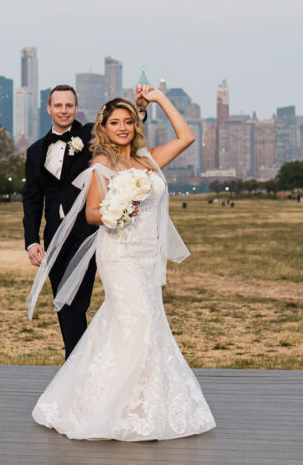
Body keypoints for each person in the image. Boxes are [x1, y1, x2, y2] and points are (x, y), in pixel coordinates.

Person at [27, 86, 215, 441]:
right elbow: (93, 213)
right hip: (119, 253)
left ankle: (143, 402)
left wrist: (159, 99)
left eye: (128, 121)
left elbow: (187, 136)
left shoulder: (148, 160)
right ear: (104, 128)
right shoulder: (101, 164)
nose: (123, 127)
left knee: (143, 323)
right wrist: (118, 212)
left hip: (146, 255)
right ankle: (110, 405)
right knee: (138, 319)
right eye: (115, 122)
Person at [22, 85, 147, 357]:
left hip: (88, 232)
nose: (64, 111)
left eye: (69, 106)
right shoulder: (34, 152)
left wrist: (141, 110)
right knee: (62, 301)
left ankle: (75, 362)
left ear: (76, 108)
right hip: (55, 237)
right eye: (58, 106)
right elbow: (31, 200)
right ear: (49, 109)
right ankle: (76, 360)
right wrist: (31, 241)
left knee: (78, 301)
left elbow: (121, 127)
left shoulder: (91, 132)